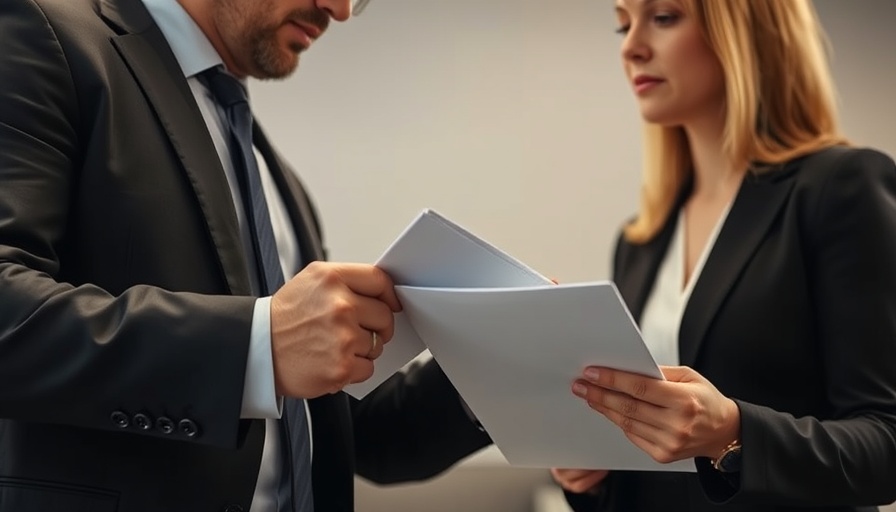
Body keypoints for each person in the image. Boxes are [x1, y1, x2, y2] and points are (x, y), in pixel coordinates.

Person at [0, 0, 490, 511]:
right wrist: (256, 347)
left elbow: (349, 431)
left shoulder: (274, 176)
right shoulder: (42, 35)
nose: (339, 10)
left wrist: (505, 371)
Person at [552, 0, 896, 510]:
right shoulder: (640, 242)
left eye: (663, 17)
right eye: (623, 24)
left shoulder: (840, 190)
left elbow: (886, 442)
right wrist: (594, 476)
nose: (631, 46)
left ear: (745, 30)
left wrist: (733, 434)